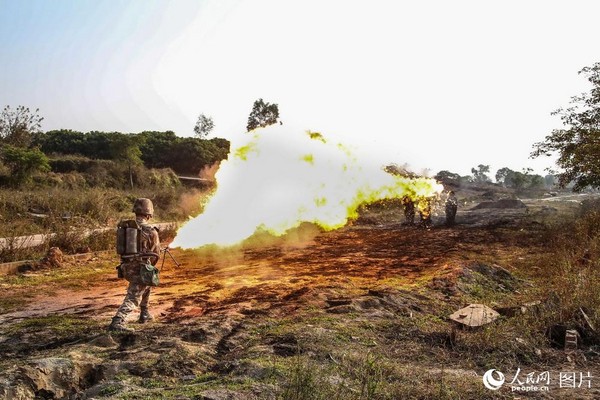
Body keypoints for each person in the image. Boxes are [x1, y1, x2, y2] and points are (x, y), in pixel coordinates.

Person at [109, 198, 161, 332]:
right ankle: (118, 321)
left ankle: (145, 314)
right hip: (139, 269)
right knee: (134, 295)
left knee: (146, 285)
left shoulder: (127, 227)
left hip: (125, 267)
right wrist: (150, 266)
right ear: (149, 213)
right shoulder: (151, 231)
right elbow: (156, 254)